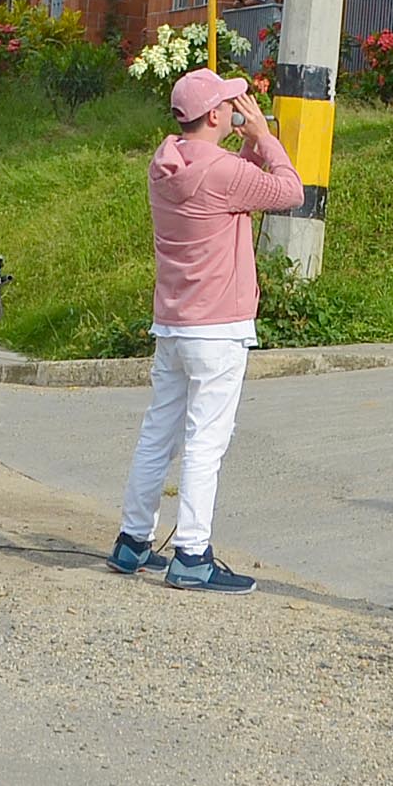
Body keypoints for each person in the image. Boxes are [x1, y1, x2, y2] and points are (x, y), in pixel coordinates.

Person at [110, 68, 304, 591]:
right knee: (205, 444)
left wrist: (248, 148)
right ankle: (192, 554)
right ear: (217, 115)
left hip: (173, 325)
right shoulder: (222, 172)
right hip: (218, 329)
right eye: (230, 103)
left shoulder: (164, 162)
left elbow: (228, 185)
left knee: (159, 434)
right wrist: (264, 138)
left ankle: (132, 542)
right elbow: (290, 192)